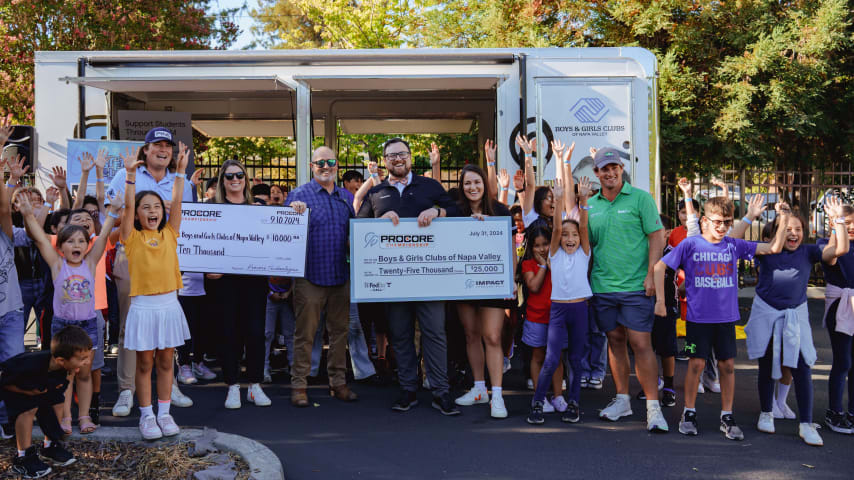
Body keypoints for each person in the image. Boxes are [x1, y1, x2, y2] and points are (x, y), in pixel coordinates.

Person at [655, 197, 788, 440]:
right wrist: (661, 302)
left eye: (727, 222)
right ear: (704, 221)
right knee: (695, 364)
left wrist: (785, 218)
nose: (722, 227)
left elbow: (773, 248)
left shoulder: (732, 245)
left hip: (725, 320)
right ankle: (689, 412)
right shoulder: (690, 244)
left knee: (727, 366)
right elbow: (659, 267)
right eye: (717, 222)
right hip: (697, 321)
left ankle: (727, 415)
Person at [357, 137, 460, 415]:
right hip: (395, 280)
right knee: (400, 335)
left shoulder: (430, 186)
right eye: (391, 156)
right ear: (385, 161)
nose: (397, 159)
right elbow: (359, 228)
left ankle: (441, 392)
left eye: (402, 154)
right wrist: (377, 224)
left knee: (434, 334)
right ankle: (408, 390)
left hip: (431, 278)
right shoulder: (376, 193)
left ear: (411, 157)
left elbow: (458, 210)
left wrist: (438, 211)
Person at [738, 196, 847, 446]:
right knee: (766, 366)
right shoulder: (766, 251)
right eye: (788, 229)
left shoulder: (809, 251)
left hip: (794, 315)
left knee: (802, 368)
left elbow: (840, 250)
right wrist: (750, 215)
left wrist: (838, 220)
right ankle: (766, 413)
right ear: (776, 232)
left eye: (798, 230)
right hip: (766, 312)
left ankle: (806, 424)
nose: (794, 234)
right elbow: (735, 243)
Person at [106, 127, 194, 418]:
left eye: (167, 145)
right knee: (132, 328)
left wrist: (168, 207)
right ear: (145, 150)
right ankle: (127, 390)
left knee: (165, 333)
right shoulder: (124, 177)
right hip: (132, 255)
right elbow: (115, 217)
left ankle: (167, 390)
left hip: (166, 259)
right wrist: (142, 205)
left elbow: (184, 216)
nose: (163, 149)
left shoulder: (180, 184)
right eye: (156, 144)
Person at [16, 192, 120, 436]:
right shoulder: (57, 264)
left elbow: (104, 234)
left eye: (81, 241)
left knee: (84, 374)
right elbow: (41, 239)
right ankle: (65, 417)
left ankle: (84, 416)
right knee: (64, 376)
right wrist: (28, 214)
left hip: (87, 325)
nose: (76, 245)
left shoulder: (91, 262)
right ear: (60, 246)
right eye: (70, 241)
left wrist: (113, 211)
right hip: (62, 327)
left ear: (88, 245)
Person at [586, 146, 668, 433]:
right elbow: (588, 246)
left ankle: (653, 407)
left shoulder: (641, 199)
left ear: (621, 168)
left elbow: (657, 236)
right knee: (615, 341)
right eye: (603, 169)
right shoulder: (591, 204)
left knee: (641, 344)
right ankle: (622, 399)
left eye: (614, 167)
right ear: (596, 173)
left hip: (636, 286)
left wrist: (651, 275)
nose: (610, 173)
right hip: (603, 286)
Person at [286, 146, 358, 406]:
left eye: (330, 162)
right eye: (320, 162)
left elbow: (356, 233)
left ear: (336, 165)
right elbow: (282, 235)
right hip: (310, 276)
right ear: (311, 166)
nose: (325, 166)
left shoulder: (346, 198)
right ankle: (299, 385)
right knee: (305, 333)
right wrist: (291, 212)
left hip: (341, 275)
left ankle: (338, 383)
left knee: (340, 332)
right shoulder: (298, 195)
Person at [204, 160, 271, 409]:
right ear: (222, 180)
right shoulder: (211, 207)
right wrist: (208, 270)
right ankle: (232, 385)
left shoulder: (260, 206)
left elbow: (280, 234)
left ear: (246, 178)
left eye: (239, 175)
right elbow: (203, 242)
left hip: (254, 281)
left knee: (255, 333)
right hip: (224, 283)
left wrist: (295, 208)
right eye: (229, 175)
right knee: (228, 333)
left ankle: (254, 384)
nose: (235, 179)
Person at [527, 177, 593, 425]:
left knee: (575, 359)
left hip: (579, 309)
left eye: (573, 235)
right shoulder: (553, 254)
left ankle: (573, 402)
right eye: (565, 234)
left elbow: (584, 228)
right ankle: (537, 402)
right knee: (551, 358)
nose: (569, 238)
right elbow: (555, 230)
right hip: (558, 310)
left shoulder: (584, 253)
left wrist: (583, 199)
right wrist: (557, 198)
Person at [452, 164, 514, 419]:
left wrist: (509, 282)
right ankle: (479, 388)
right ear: (461, 186)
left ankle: (497, 394)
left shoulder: (500, 210)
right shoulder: (455, 211)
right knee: (471, 335)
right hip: (464, 282)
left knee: (492, 336)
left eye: (476, 182)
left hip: (493, 282)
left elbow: (510, 249)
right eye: (467, 183)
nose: (472, 187)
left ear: (484, 184)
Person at [1, 326, 91, 478]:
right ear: (61, 360)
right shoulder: (29, 364)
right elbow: (3, 379)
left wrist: (54, 430)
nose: (87, 362)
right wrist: (27, 392)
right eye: (82, 359)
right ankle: (23, 458)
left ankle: (50, 446)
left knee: (57, 400)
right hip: (13, 386)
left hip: (37, 386)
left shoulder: (63, 368)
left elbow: (52, 397)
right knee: (29, 408)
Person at [815, 199, 854, 435]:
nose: (849, 227)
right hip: (840, 306)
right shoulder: (825, 244)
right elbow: (835, 254)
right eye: (845, 223)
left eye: (851, 223)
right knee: (843, 362)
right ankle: (834, 412)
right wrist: (837, 224)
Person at [0, 151, 26, 441]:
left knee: (14, 367)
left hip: (10, 313)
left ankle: (8, 419)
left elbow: (5, 209)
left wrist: (9, 178)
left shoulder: (4, 233)